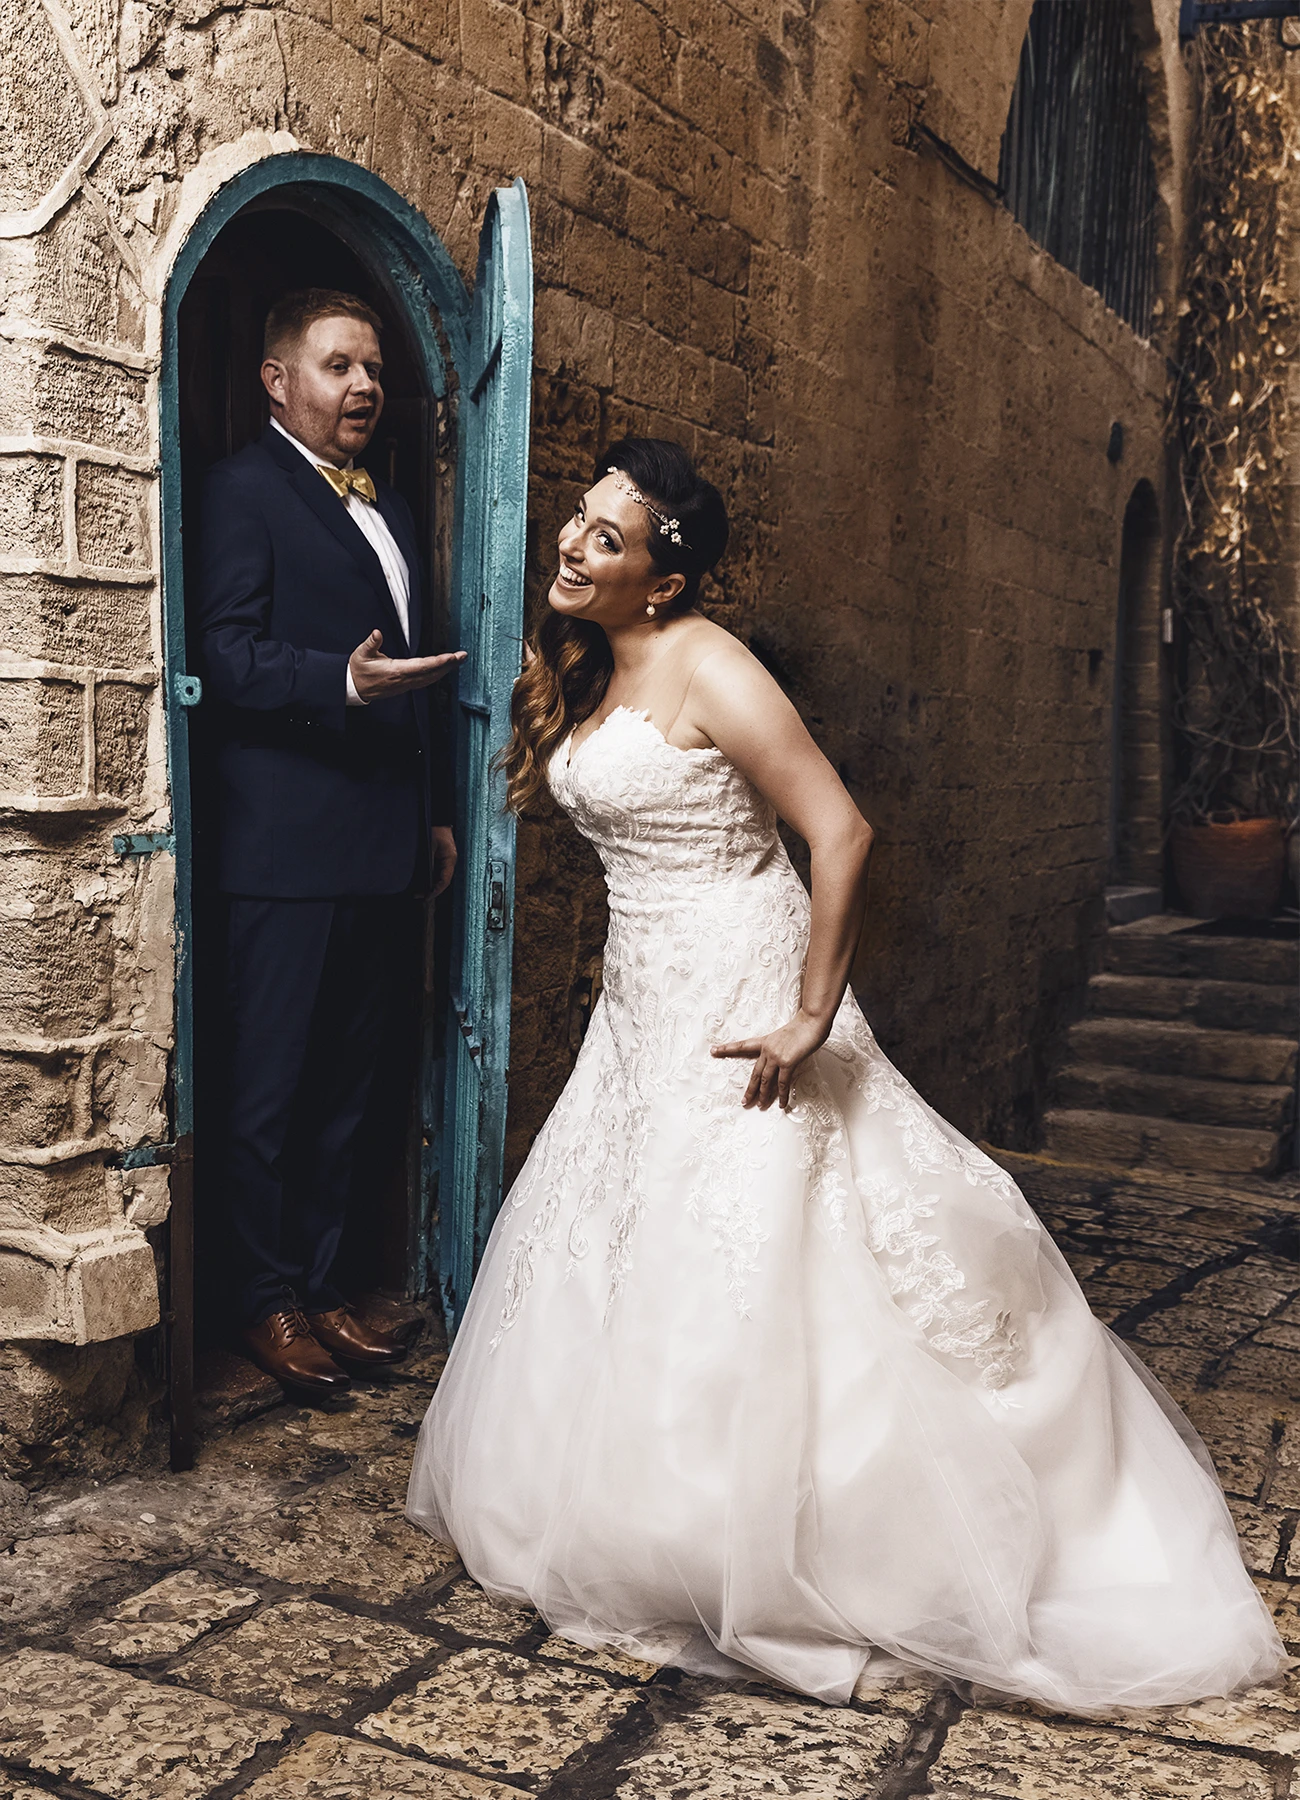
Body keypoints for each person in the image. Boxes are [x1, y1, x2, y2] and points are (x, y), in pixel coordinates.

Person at [406, 437, 1283, 1710]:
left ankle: (809, 1530)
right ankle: (640, 1505)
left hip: (740, 989)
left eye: (608, 534)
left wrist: (811, 1012)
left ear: (664, 577)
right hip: (642, 998)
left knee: (765, 1238)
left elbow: (839, 830)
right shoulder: (598, 664)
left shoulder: (713, 666)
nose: (573, 541)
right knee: (623, 1231)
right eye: (578, 521)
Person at [197, 288, 464, 1394]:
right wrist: (336, 681)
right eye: (339, 366)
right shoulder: (239, 492)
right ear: (278, 381)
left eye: (374, 368)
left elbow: (423, 683)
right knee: (265, 1094)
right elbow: (219, 655)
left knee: (345, 1091)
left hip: (381, 848)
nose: (366, 386)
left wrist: (435, 814)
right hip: (283, 856)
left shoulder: (393, 509)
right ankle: (259, 1301)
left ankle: (317, 1287)